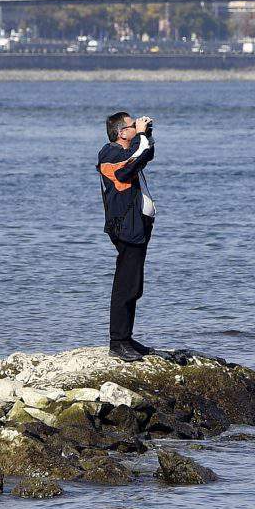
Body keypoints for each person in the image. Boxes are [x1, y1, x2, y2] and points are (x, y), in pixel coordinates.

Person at [97, 111, 157, 361]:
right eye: (132, 126)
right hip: (125, 227)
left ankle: (127, 338)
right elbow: (126, 169)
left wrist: (146, 135)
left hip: (136, 226)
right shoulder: (110, 154)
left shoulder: (126, 152)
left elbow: (144, 156)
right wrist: (141, 136)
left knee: (134, 285)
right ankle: (117, 342)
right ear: (122, 133)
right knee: (125, 285)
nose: (137, 127)